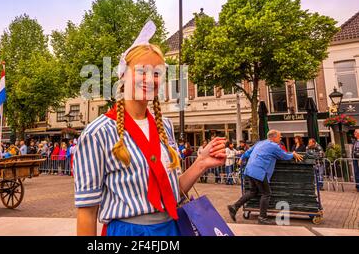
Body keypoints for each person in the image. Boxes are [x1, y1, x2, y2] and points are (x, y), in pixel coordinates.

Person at [74, 21, 227, 236]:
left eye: (156, 73)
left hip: (170, 228)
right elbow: (87, 211)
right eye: (141, 71)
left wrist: (201, 163)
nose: (150, 79)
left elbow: (172, 193)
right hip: (128, 232)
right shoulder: (97, 132)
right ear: (123, 75)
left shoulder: (165, 126)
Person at [227, 129, 303, 225]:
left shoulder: (260, 143)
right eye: (279, 136)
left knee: (252, 191)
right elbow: (284, 156)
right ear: (274, 137)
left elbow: (248, 152)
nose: (281, 138)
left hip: (250, 169)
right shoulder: (274, 146)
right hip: (259, 171)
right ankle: (262, 217)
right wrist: (293, 154)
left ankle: (234, 207)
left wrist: (242, 158)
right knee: (266, 193)